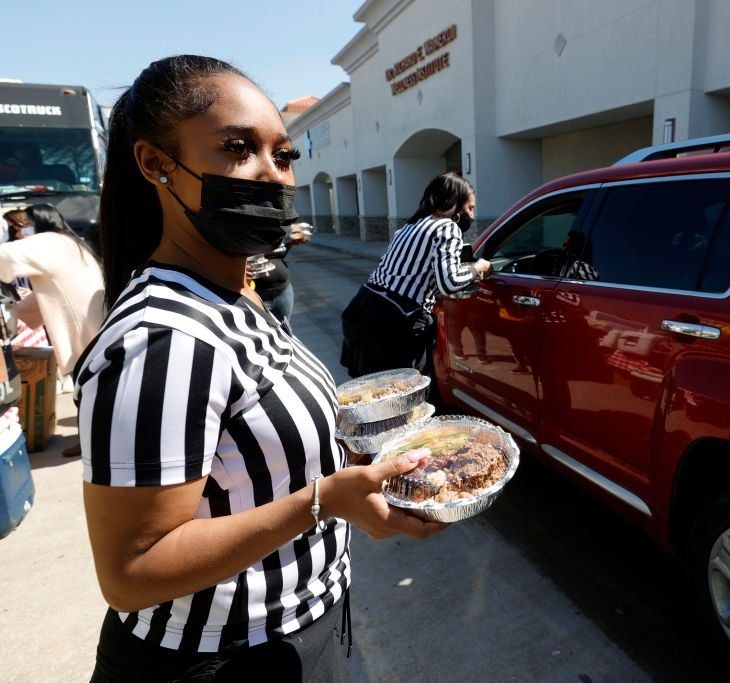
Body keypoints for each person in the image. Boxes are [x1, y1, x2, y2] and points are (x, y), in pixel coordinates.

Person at [74, 55, 443, 682]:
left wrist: (351, 467)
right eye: (239, 149)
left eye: (284, 155)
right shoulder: (159, 339)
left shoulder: (238, 293)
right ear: (155, 163)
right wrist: (326, 500)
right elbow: (132, 572)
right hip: (217, 661)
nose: (271, 176)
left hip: (298, 633)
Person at [340, 172, 492, 378]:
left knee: (374, 391)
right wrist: (478, 268)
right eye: (470, 208)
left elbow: (413, 275)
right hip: (396, 321)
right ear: (453, 204)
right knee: (402, 395)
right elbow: (449, 282)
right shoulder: (447, 228)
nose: (472, 216)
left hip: (364, 307)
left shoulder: (410, 226)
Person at [0, 203, 104, 377]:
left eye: (24, 228)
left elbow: (4, 259)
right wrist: (13, 310)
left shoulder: (49, 242)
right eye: (13, 230)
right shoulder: (69, 243)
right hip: (97, 341)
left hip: (88, 348)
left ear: (39, 223)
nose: (17, 234)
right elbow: (45, 300)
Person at [250, 222, 311, 323]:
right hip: (257, 293)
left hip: (283, 290)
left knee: (285, 333)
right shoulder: (245, 226)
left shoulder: (276, 224)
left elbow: (277, 255)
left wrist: (290, 243)